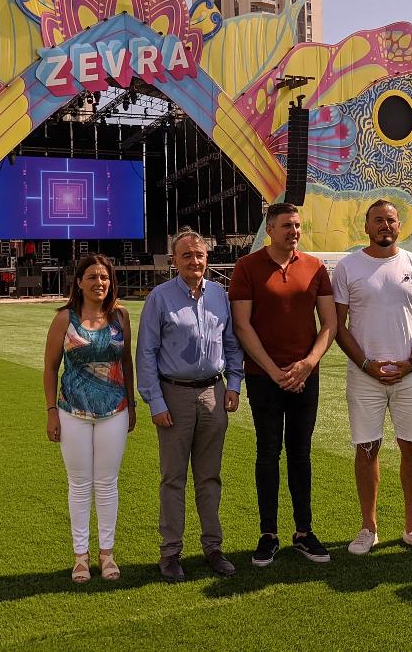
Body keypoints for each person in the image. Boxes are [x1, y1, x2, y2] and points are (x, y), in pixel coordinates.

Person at [230, 202, 337, 567]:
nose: (294, 232)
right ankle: (268, 533)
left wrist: (308, 363)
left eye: (297, 226)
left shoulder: (315, 267)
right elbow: (242, 326)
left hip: (305, 376)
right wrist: (274, 371)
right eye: (287, 226)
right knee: (268, 452)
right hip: (264, 378)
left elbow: (330, 323)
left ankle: (304, 532)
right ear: (270, 229)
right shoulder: (247, 267)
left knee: (301, 453)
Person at [333, 200, 412, 556]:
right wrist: (366, 364)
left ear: (400, 226)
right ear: (366, 226)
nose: (385, 225)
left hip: (409, 374)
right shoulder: (348, 267)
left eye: (390, 220)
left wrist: (411, 361)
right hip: (365, 376)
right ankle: (369, 527)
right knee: (366, 449)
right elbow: (338, 325)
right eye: (377, 220)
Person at [136, 229, 244, 581]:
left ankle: (213, 548)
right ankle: (170, 554)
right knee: (173, 479)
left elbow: (230, 343)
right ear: (174, 261)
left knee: (210, 478)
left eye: (199, 255)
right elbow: (147, 353)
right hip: (174, 396)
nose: (194, 261)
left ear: (206, 258)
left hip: (214, 394)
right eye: (186, 255)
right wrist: (154, 401)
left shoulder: (219, 295)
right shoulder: (160, 298)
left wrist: (235, 384)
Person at [42, 254, 136, 583]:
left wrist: (133, 407)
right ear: (79, 282)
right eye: (93, 277)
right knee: (80, 485)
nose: (99, 283)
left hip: (115, 411)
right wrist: (52, 411)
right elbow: (51, 367)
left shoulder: (120, 317)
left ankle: (106, 554)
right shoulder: (64, 319)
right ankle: (80, 556)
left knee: (107, 483)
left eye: (105, 277)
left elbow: (126, 364)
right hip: (73, 412)